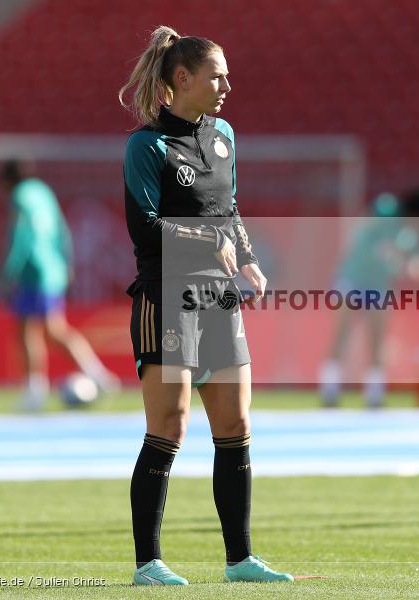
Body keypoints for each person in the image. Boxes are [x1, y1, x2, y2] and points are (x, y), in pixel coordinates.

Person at [118, 26, 291, 585]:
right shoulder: (147, 146)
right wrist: (205, 238)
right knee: (169, 425)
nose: (226, 86)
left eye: (227, 75)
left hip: (219, 297)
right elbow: (145, 227)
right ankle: (148, 563)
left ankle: (240, 560)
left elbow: (228, 207)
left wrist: (248, 258)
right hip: (167, 297)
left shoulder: (224, 136)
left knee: (236, 422)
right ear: (182, 78)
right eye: (216, 76)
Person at [0, 159, 119, 412]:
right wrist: (66, 262)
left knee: (30, 330)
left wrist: (9, 272)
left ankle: (36, 391)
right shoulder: (43, 192)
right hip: (53, 268)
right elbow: (62, 231)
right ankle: (95, 376)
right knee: (51, 330)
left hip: (34, 270)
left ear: (6, 180)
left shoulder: (19, 197)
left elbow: (21, 237)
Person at [319, 187, 419, 408]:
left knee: (377, 341)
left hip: (379, 288)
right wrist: (387, 251)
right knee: (341, 335)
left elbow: (417, 263)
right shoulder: (387, 208)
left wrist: (412, 266)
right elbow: (364, 231)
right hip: (353, 279)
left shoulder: (412, 235)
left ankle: (374, 395)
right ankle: (330, 391)